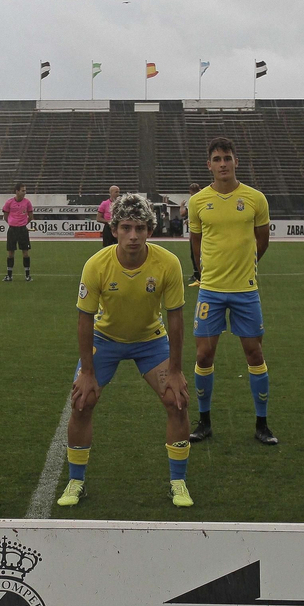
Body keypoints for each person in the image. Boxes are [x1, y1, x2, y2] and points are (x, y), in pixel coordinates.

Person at [57, 194, 192, 508]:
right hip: (105, 340)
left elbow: (175, 319)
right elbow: (84, 320)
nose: (134, 235)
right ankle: (76, 481)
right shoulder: (97, 264)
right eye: (127, 227)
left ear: (150, 230)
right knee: (81, 402)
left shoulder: (168, 263)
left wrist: (175, 369)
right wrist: (88, 372)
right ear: (114, 228)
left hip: (151, 341)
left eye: (141, 228)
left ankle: (179, 481)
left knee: (178, 400)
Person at [187, 137, 276, 445]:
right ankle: (204, 421)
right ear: (208, 165)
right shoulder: (198, 202)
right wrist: (205, 271)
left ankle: (262, 424)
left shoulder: (255, 199)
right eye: (217, 159)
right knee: (204, 354)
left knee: (254, 353)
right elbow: (196, 242)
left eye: (227, 157)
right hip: (210, 291)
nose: (222, 163)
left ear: (236, 161)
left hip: (245, 291)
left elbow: (262, 239)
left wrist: (247, 265)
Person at [1, 182, 34, 281]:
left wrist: (22, 223)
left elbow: (31, 216)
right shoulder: (9, 202)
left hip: (22, 230)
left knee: (25, 252)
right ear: (17, 191)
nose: (24, 192)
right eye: (22, 190)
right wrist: (13, 222)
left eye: (25, 190)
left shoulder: (27, 202)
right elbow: (5, 216)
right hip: (12, 230)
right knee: (10, 252)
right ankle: (9, 275)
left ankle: (27, 275)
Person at [185, 182, 202, 285]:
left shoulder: (195, 200)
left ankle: (199, 276)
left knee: (196, 253)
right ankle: (199, 275)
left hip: (199, 231)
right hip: (202, 231)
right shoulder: (202, 197)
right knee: (198, 253)